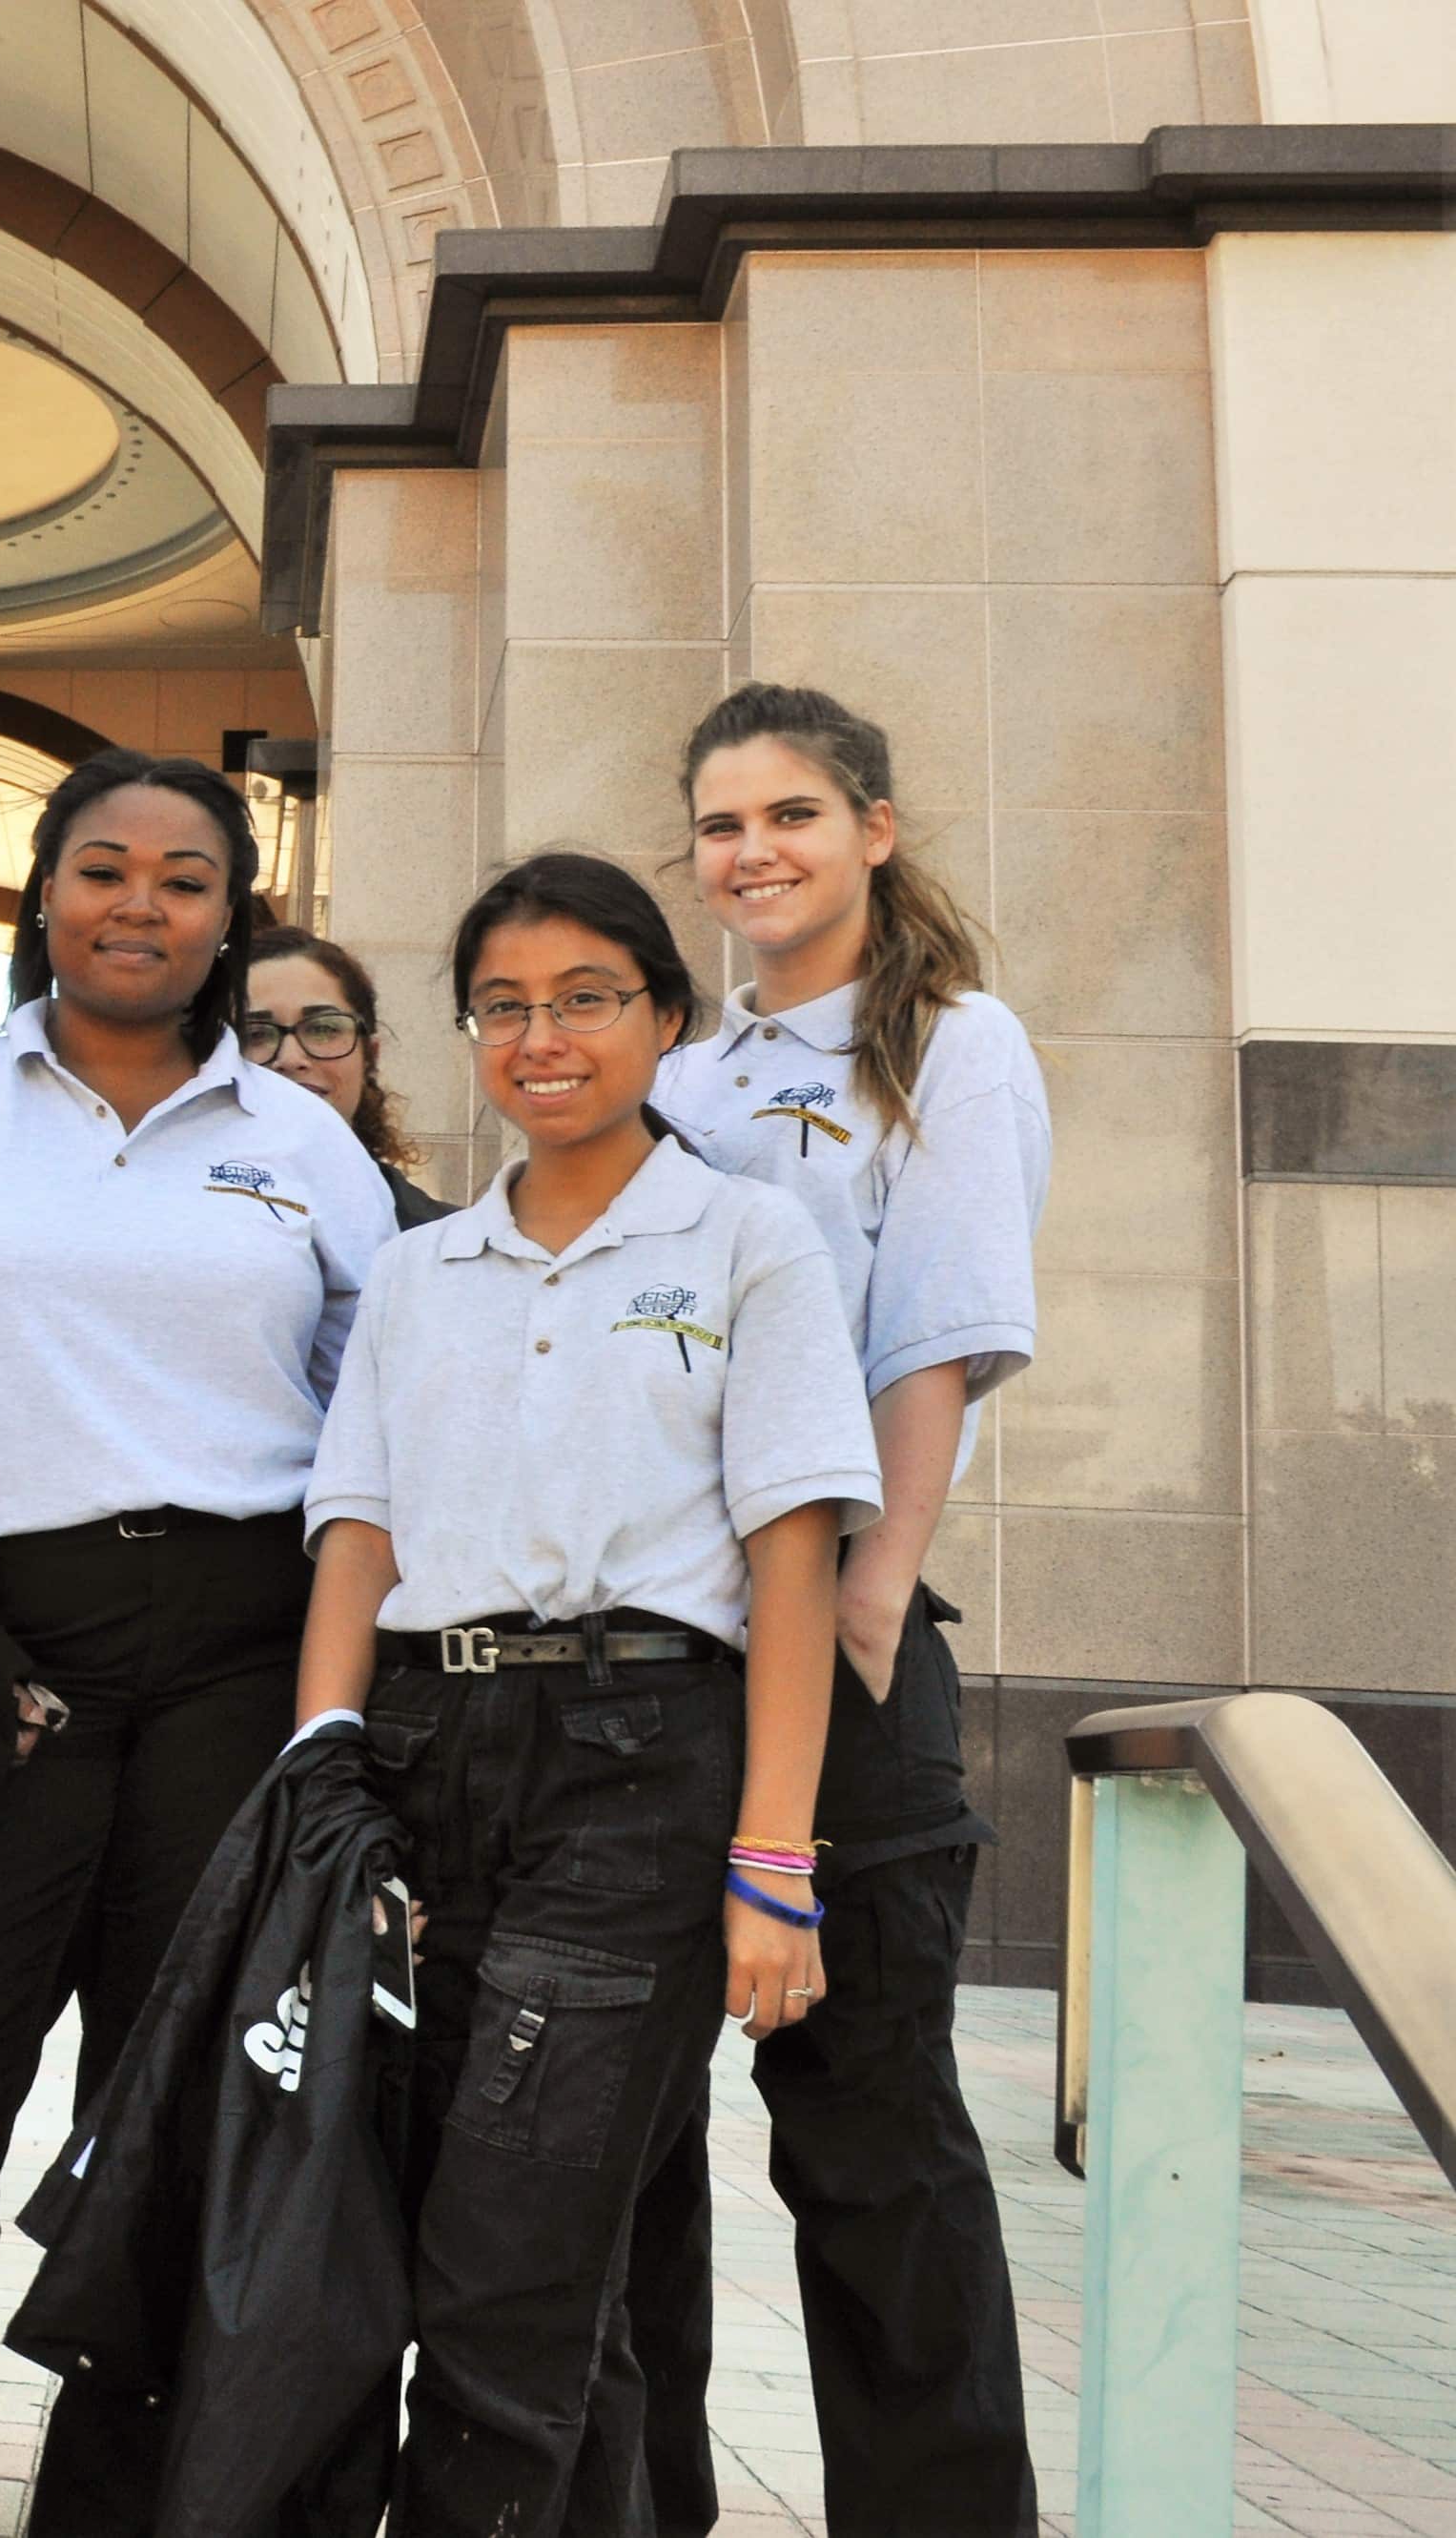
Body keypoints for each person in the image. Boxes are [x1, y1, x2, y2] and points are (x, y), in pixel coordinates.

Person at [0, 749, 393, 2536]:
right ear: (43, 892)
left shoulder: (301, 1143)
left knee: (174, 2125)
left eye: (183, 879)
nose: (139, 904)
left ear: (226, 915)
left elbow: (379, 1422)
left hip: (236, 1660)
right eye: (102, 867)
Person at [290, 849, 872, 2532]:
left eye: (584, 1000)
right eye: (503, 1008)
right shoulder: (420, 1269)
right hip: (412, 1759)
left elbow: (790, 1559)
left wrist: (775, 1863)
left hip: (639, 1766)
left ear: (664, 1020)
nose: (540, 1038)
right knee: (506, 2260)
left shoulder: (746, 1239)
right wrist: (318, 1777)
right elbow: (357, 1534)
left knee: (509, 2268)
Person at [631, 683, 1051, 2538]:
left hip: (848, 1650)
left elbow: (934, 1335)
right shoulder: (682, 1071)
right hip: (650, 1647)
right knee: (614, 2139)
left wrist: (872, 1587)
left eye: (788, 813)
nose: (750, 854)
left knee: (865, 2132)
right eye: (719, 825)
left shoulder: (951, 1046)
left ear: (871, 827)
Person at [249, 919, 452, 1228]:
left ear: (370, 1055)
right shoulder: (168, 1226)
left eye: (323, 1029)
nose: (290, 1059)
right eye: (256, 1034)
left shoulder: (440, 1242)